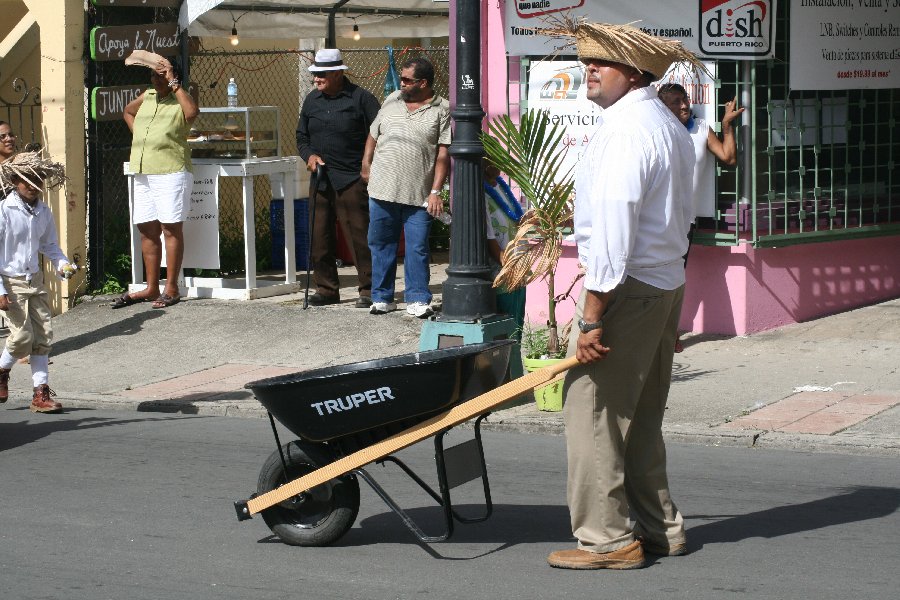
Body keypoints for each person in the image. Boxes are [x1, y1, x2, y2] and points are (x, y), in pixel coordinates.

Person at [547, 21, 703, 570]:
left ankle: (608, 540)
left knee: (594, 415)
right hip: (662, 282)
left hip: (628, 288)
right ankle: (662, 528)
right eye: (586, 61)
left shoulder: (625, 130)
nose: (588, 69)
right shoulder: (664, 121)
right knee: (638, 416)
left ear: (634, 72)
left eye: (601, 63)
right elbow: (675, 213)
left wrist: (591, 319)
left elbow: (615, 232)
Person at [657, 82, 744, 352]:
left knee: (674, 277)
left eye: (684, 100)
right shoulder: (655, 133)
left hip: (685, 221)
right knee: (650, 277)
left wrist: (726, 125)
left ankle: (667, 334)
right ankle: (651, 334)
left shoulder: (700, 129)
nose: (684, 106)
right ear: (662, 106)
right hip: (655, 220)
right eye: (675, 101)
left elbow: (728, 158)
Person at [361, 57, 450, 318]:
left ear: (423, 83)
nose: (401, 83)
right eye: (402, 78)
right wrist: (366, 163)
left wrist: (435, 191)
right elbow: (373, 134)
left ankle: (418, 298)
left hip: (419, 194)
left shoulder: (441, 109)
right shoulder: (392, 100)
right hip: (382, 189)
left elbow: (443, 153)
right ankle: (381, 297)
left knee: (418, 248)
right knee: (381, 244)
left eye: (407, 80)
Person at [296, 49, 380, 308]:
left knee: (359, 235)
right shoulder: (312, 100)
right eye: (314, 75)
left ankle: (369, 289)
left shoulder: (362, 99)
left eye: (321, 74)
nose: (316, 79)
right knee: (319, 236)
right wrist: (309, 156)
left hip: (352, 178)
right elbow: (302, 137)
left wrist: (367, 164)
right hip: (321, 178)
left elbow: (379, 133)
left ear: (338, 73)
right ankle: (327, 288)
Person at [115, 56, 198, 310]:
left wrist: (173, 81)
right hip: (143, 170)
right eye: (154, 75)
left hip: (171, 169)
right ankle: (151, 287)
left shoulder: (180, 96)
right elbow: (128, 111)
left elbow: (192, 113)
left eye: (161, 75)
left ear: (173, 77)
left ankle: (171, 288)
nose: (156, 79)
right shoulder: (148, 95)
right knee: (147, 229)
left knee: (170, 228)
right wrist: (139, 135)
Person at [0, 152, 75, 413]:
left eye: (38, 179)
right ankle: (2, 370)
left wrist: (63, 264)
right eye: (27, 179)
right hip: (11, 281)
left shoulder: (43, 211)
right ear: (13, 180)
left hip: (36, 280)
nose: (33, 185)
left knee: (42, 337)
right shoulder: (4, 210)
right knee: (21, 337)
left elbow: (50, 245)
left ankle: (40, 394)